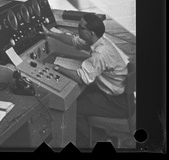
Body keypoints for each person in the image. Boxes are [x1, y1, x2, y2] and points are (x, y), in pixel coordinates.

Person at [43, 14, 129, 147]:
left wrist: (56, 68)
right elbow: (73, 40)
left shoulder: (101, 54)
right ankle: (98, 135)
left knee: (74, 110)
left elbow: (82, 78)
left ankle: (99, 141)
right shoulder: (99, 40)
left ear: (91, 33)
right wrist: (49, 33)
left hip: (117, 102)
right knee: (79, 97)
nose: (77, 29)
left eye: (80, 27)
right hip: (117, 92)